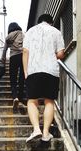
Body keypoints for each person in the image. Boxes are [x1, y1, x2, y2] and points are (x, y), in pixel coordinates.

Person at [22, 14, 65, 143]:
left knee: (32, 101)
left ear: (39, 21)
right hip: (50, 70)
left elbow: (25, 51)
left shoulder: (30, 31)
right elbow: (61, 54)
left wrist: (25, 72)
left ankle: (36, 129)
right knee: (49, 101)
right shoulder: (56, 32)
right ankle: (46, 133)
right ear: (51, 22)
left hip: (33, 70)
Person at [2, 22, 25, 109]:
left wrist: (3, 63)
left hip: (13, 57)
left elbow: (4, 51)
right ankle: (21, 98)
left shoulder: (8, 37)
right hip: (23, 56)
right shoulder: (22, 34)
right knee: (22, 77)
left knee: (13, 79)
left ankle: (15, 97)